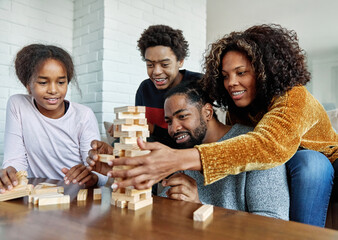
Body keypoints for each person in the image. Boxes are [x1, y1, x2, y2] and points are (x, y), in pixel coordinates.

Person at [89, 24, 338, 227]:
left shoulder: (294, 96)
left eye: (241, 73)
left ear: (265, 71)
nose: (231, 83)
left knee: (309, 163)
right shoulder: (237, 110)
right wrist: (121, 163)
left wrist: (181, 159)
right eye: (226, 75)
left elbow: (266, 146)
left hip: (320, 159)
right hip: (269, 155)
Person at [159, 81, 289, 220]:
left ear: (207, 113)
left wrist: (199, 208)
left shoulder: (256, 145)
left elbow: (273, 223)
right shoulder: (188, 148)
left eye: (182, 116)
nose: (173, 129)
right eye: (169, 122)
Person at [0, 44, 107, 193]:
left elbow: (99, 171)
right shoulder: (18, 104)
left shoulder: (84, 115)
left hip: (76, 196)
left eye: (61, 82)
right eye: (43, 82)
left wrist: (92, 176)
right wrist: (11, 174)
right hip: (36, 195)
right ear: (28, 85)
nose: (53, 90)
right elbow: (14, 160)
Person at [108, 24, 202, 147]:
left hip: (188, 151)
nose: (156, 72)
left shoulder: (199, 83)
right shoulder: (145, 89)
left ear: (180, 61)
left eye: (164, 64)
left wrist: (153, 129)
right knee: (118, 145)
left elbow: (202, 135)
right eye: (150, 65)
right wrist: (126, 128)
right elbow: (141, 133)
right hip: (153, 149)